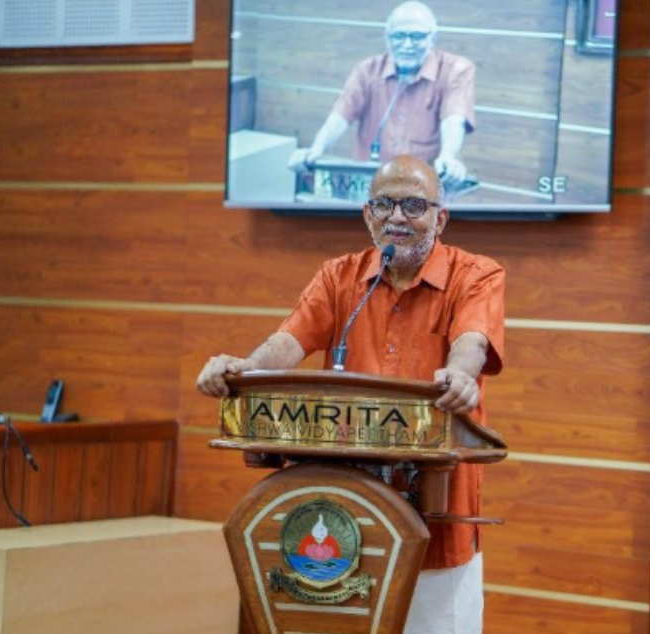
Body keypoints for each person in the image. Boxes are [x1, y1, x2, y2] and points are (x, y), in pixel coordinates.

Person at [197, 155, 504, 634]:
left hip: (434, 522)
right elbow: (288, 343)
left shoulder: (476, 274)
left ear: (440, 218)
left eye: (413, 205)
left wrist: (461, 375)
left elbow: (472, 341)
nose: (397, 217)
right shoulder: (338, 277)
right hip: (339, 521)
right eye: (384, 204)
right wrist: (244, 367)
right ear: (367, 214)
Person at [287, 2, 475, 188]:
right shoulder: (367, 70)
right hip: (371, 185)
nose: (407, 45)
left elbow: (453, 119)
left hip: (425, 188)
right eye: (398, 36)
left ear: (433, 39)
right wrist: (317, 148)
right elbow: (340, 116)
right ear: (387, 38)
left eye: (417, 36)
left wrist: (448, 156)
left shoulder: (456, 69)